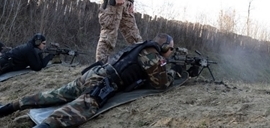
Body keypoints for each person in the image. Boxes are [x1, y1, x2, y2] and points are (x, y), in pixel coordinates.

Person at [0, 33, 177, 128]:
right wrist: (173, 71)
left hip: (93, 74)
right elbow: (161, 84)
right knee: (74, 113)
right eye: (171, 49)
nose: (171, 52)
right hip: (102, 84)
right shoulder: (153, 55)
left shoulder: (141, 46)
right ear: (165, 47)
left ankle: (9, 107)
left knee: (53, 95)